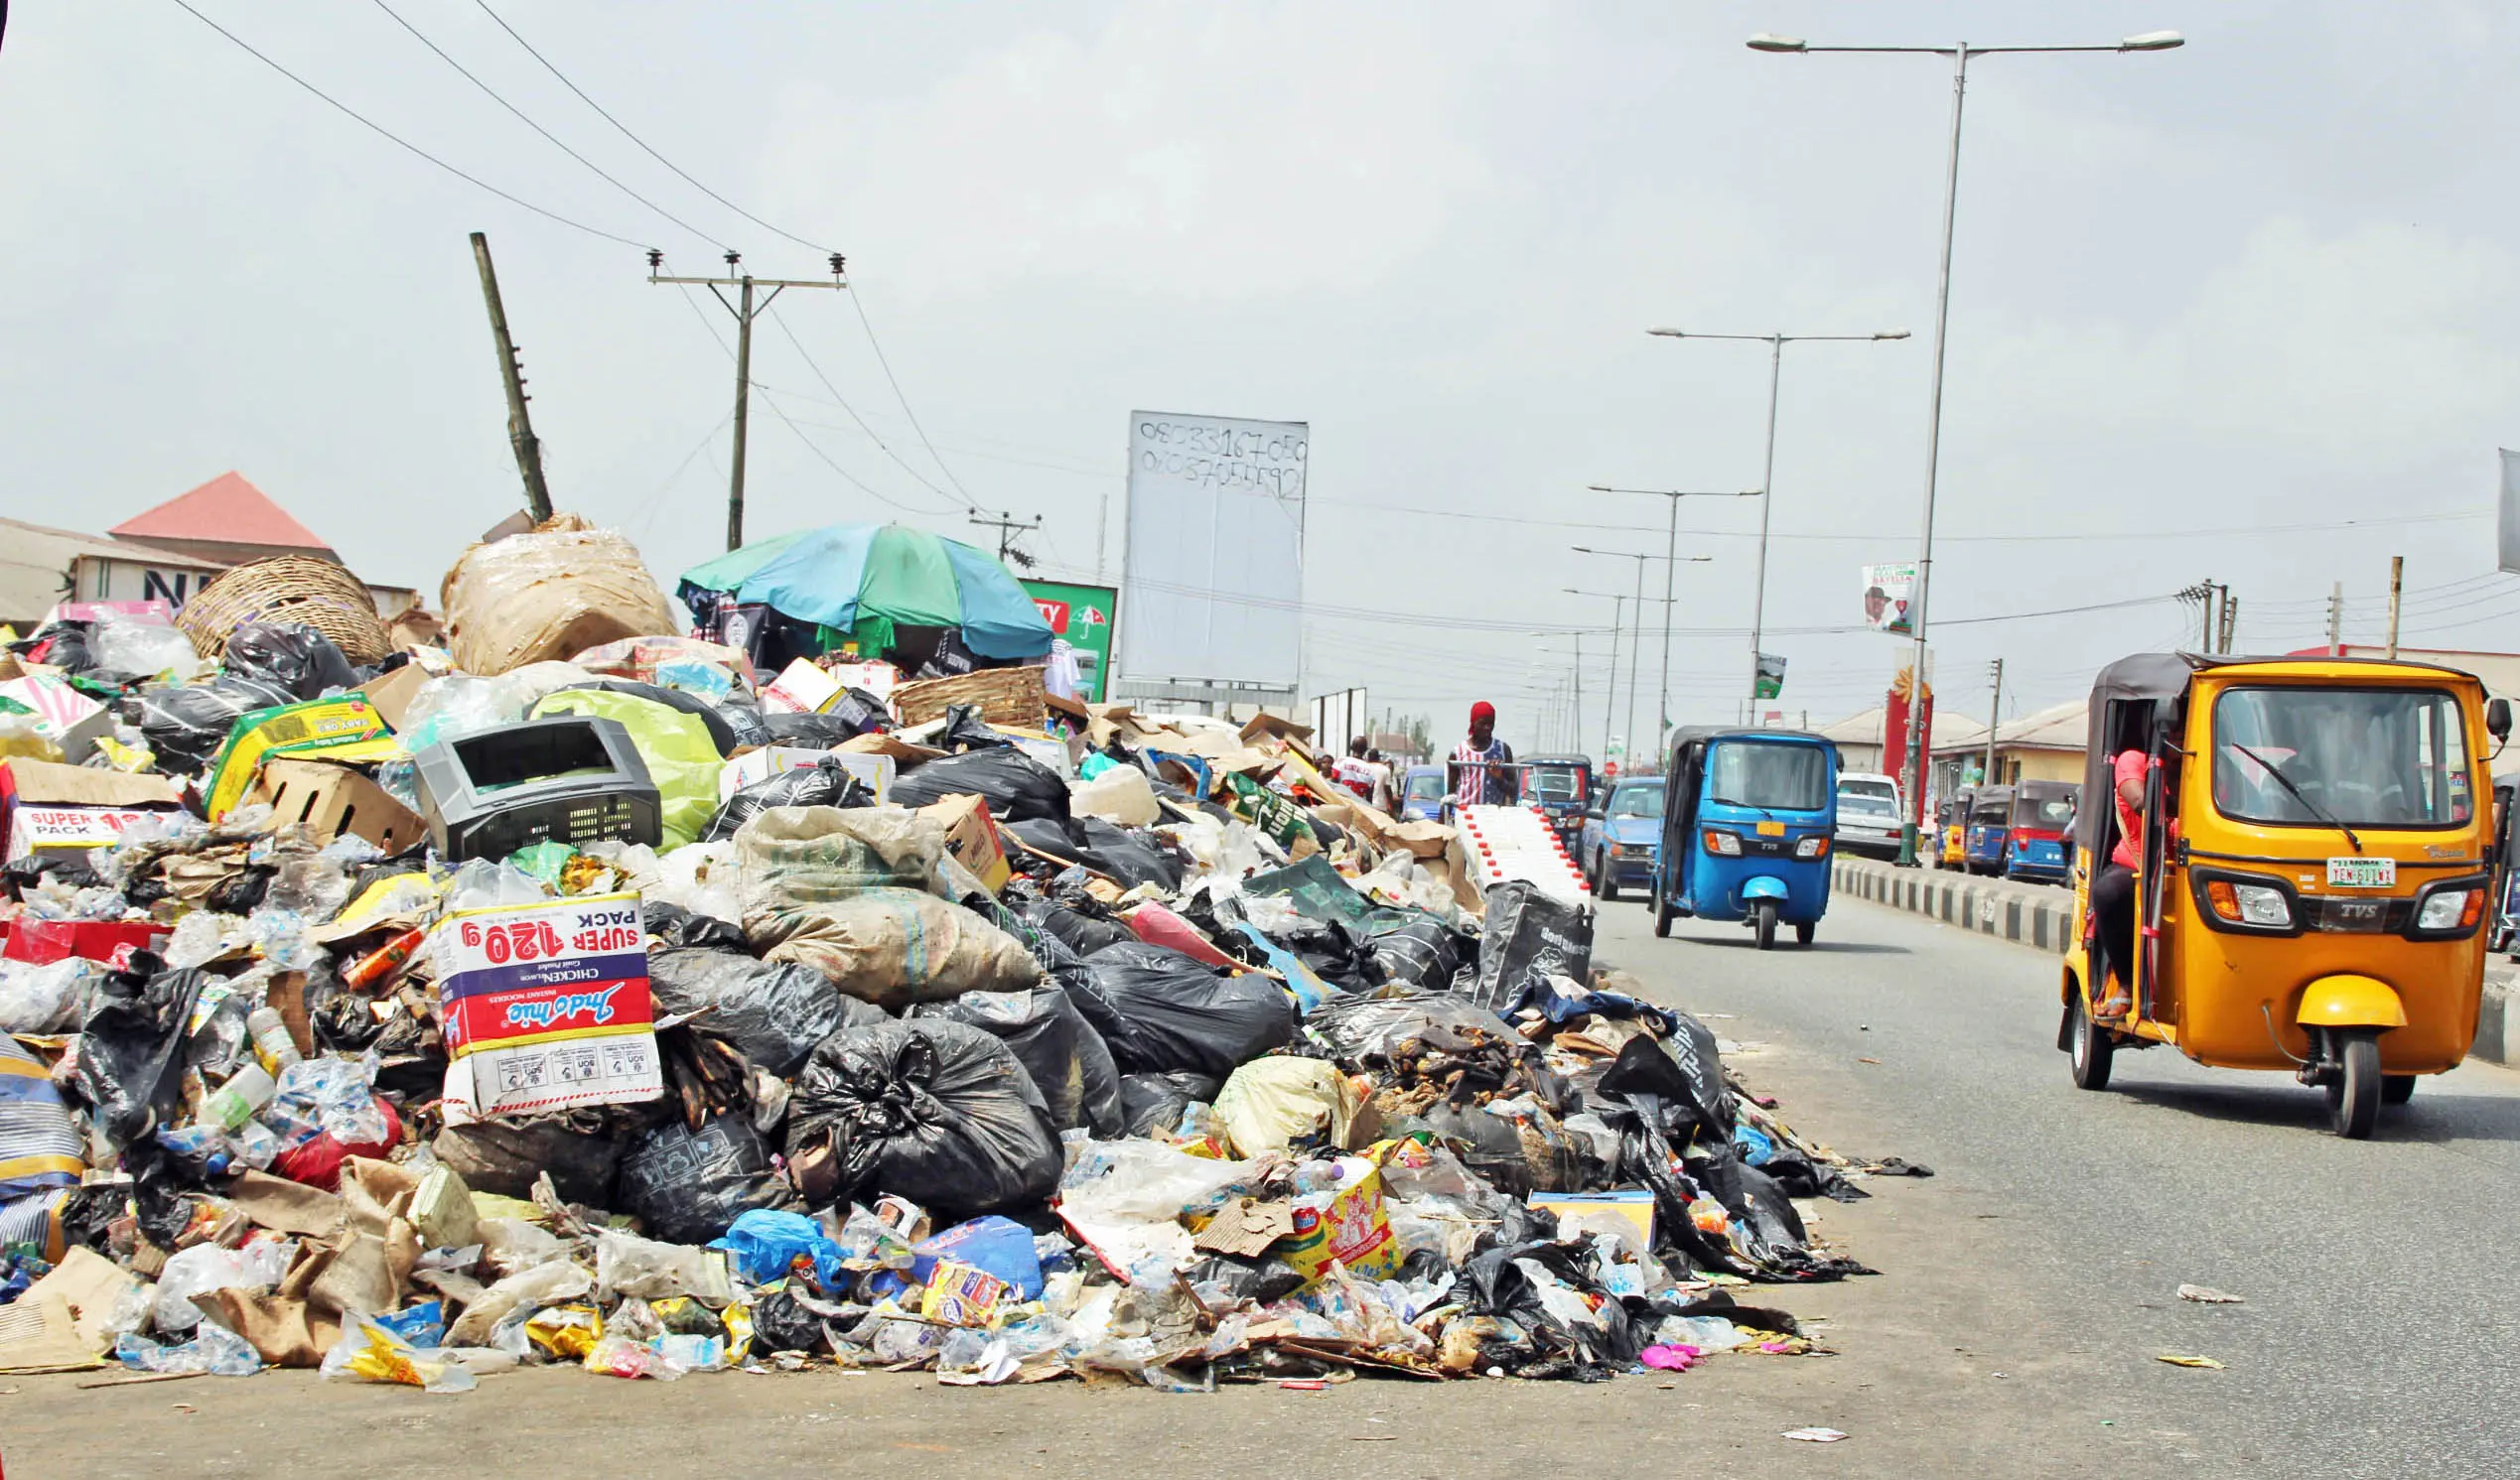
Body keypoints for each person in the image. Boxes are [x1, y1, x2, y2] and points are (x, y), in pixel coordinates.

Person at [2090, 745, 2147, 1016]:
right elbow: (2139, 801)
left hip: (2190, 865)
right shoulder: (2134, 761)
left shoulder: (2215, 768)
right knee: (2108, 893)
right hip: (2135, 864)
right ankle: (2126, 984)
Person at [1453, 702, 1516, 807]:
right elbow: (1450, 794)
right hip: (1466, 817)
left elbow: (1513, 790)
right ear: (1473, 722)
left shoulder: (1503, 750)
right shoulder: (1458, 752)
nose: (1487, 727)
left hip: (1494, 817)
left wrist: (1499, 778)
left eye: (1491, 723)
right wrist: (1442, 820)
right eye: (1482, 723)